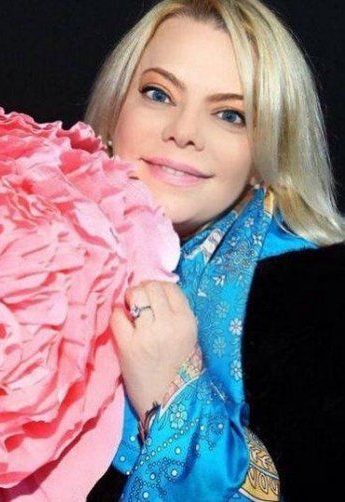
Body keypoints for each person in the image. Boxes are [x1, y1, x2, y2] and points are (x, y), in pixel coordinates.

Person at [82, 0, 345, 500]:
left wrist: (171, 391)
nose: (183, 132)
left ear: (266, 152)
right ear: (115, 112)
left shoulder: (321, 297)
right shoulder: (29, 253)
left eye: (230, 115)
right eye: (159, 94)